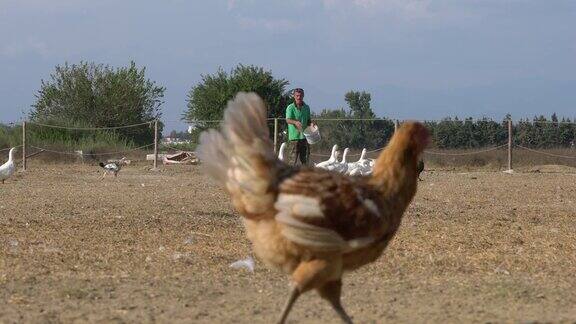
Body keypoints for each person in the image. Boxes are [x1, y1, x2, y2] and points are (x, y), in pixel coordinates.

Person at [285, 88, 314, 166]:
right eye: (297, 95)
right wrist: (295, 122)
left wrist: (312, 124)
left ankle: (305, 177)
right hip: (294, 138)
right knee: (292, 161)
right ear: (294, 96)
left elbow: (308, 120)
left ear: (303, 96)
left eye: (300, 95)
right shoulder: (290, 107)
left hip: (304, 138)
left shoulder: (306, 107)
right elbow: (287, 120)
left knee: (305, 161)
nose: (299, 97)